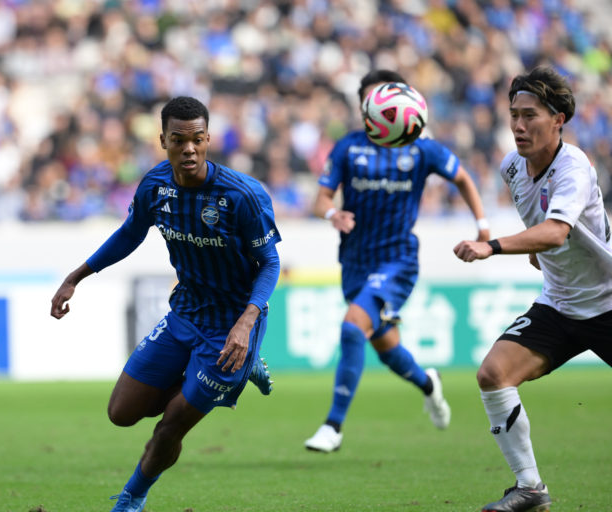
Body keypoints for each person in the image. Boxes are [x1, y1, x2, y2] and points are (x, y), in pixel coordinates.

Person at [50, 96, 280, 512]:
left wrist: (247, 321)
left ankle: (131, 498)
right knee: (121, 412)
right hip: (185, 313)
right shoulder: (156, 186)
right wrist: (75, 277)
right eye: (178, 140)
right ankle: (236, 373)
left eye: (197, 139)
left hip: (231, 327)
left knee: (170, 426)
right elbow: (129, 234)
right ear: (163, 141)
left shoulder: (241, 195)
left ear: (208, 139)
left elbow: (270, 263)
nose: (189, 149)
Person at [304, 69, 490, 453]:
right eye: (375, 102)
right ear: (363, 107)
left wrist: (482, 225)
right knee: (387, 350)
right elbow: (320, 199)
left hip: (397, 261)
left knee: (352, 328)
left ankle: (333, 426)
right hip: (355, 261)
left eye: (391, 103)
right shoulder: (348, 147)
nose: (385, 110)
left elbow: (463, 178)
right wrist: (333, 215)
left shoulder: (422, 149)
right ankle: (429, 384)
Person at [454, 66, 612, 512]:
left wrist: (492, 247)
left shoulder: (574, 166)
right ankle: (530, 488)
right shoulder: (512, 167)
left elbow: (557, 231)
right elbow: (544, 229)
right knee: (493, 374)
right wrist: (536, 250)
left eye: (530, 116)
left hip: (606, 302)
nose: (518, 126)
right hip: (559, 305)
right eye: (514, 115)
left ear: (558, 119)